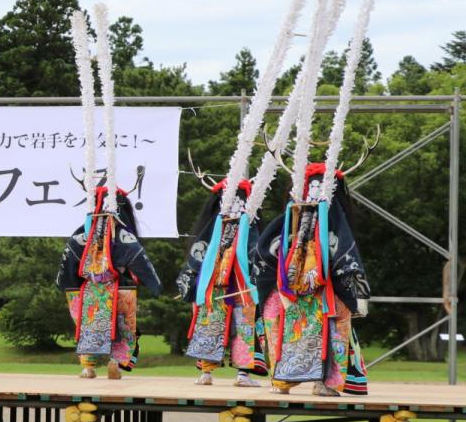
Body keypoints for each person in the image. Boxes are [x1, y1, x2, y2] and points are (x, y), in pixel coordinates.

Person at [254, 164, 370, 396]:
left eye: (320, 186)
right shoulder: (290, 217)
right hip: (289, 289)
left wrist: (355, 290)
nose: (315, 191)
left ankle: (325, 382)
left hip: (326, 289)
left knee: (335, 329)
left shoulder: (335, 221)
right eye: (312, 186)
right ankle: (281, 379)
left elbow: (346, 255)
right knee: (277, 325)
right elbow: (264, 250)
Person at [57, 186, 161, 379]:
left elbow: (67, 268)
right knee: (125, 329)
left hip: (88, 289)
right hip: (121, 288)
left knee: (89, 327)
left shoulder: (81, 236)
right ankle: (117, 363)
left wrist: (70, 289)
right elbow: (141, 262)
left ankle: (88, 367)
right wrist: (153, 284)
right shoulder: (124, 235)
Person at [176, 180, 268, 387]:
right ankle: (210, 372)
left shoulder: (248, 223)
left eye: (240, 199)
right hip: (217, 285)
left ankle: (239, 374)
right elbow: (198, 254)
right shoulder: (216, 225)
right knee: (212, 327)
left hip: (240, 284)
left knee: (244, 328)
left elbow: (256, 252)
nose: (236, 204)